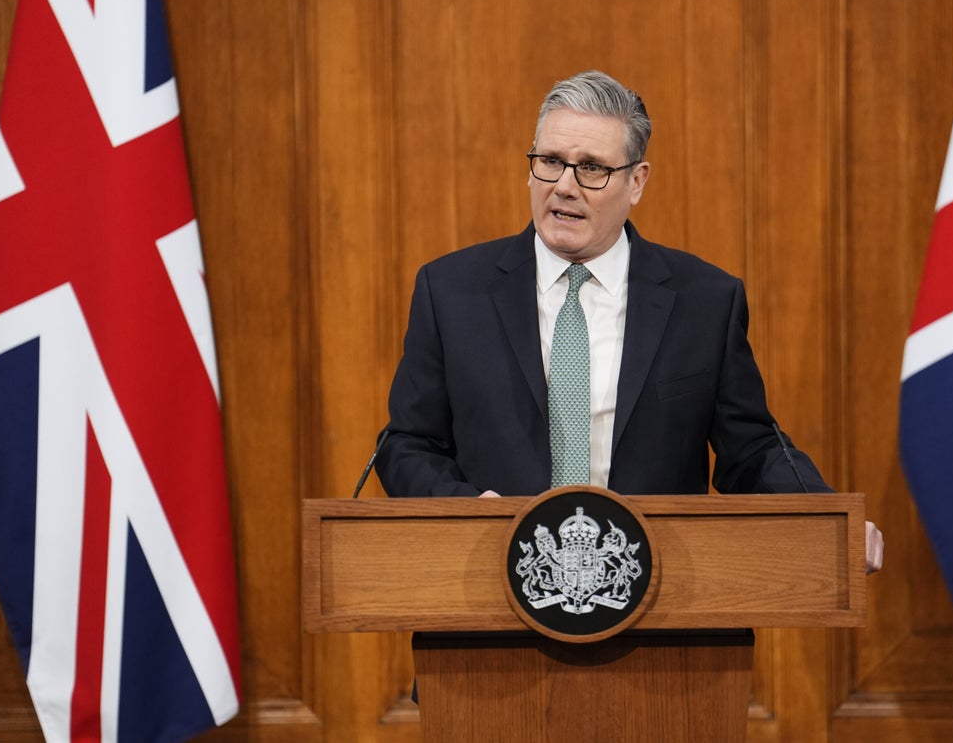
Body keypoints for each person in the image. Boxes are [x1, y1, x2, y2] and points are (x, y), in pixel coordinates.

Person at [375, 70, 883, 572]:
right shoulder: (452, 292)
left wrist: (828, 519)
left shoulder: (703, 301)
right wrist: (468, 511)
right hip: (494, 578)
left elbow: (750, 450)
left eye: (592, 168)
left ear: (636, 182)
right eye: (550, 162)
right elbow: (408, 444)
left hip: (657, 588)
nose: (564, 186)